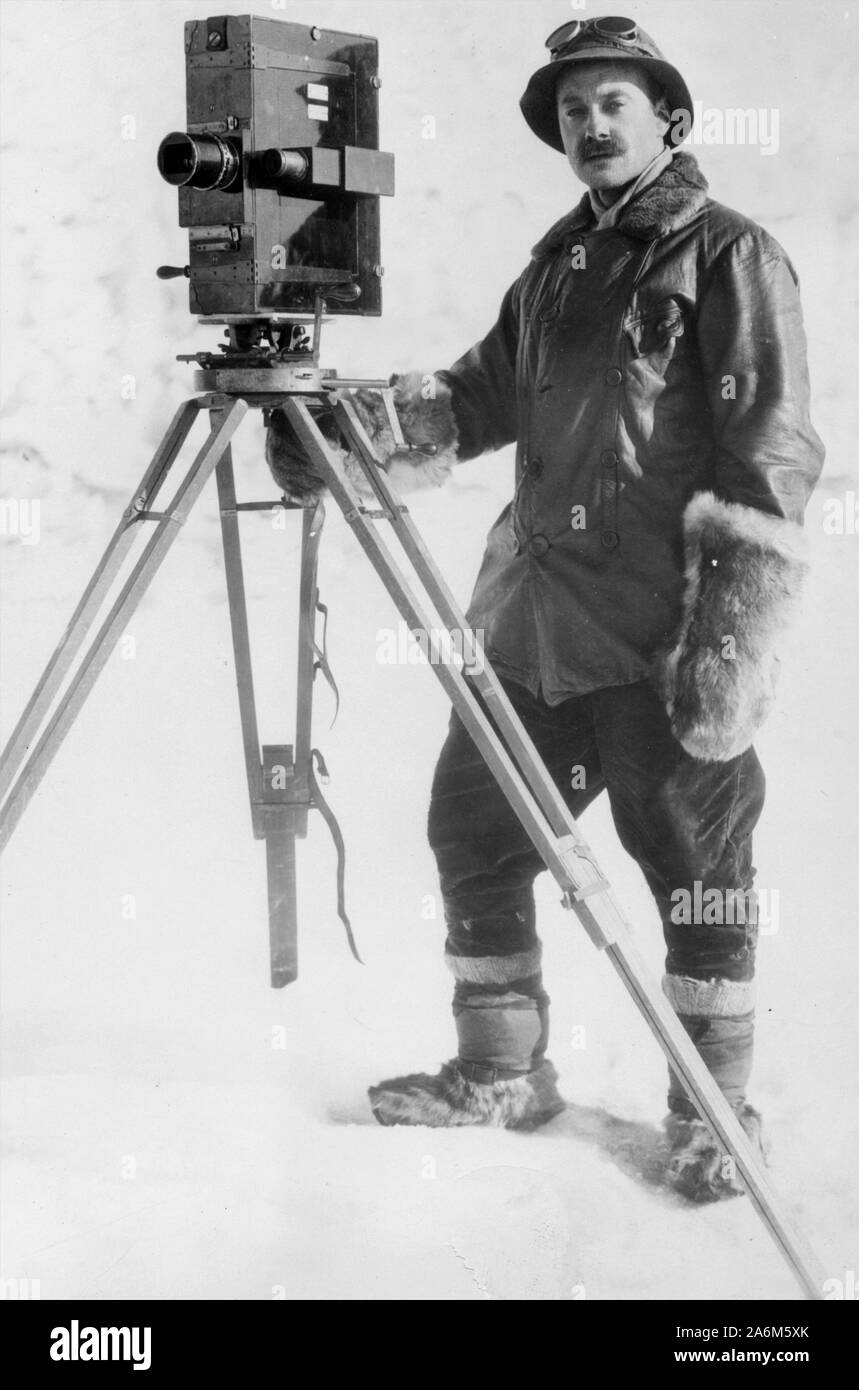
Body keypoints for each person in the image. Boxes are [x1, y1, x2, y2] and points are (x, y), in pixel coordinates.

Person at [266, 16, 824, 1201]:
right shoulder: (556, 267)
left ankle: (713, 1113)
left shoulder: (731, 257)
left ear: (669, 118)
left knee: (698, 868)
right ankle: (502, 1073)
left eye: (612, 103)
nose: (589, 125)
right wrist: (335, 431)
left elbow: (769, 457)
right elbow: (472, 400)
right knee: (473, 836)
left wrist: (722, 646)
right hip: (528, 626)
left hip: (657, 636)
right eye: (572, 110)